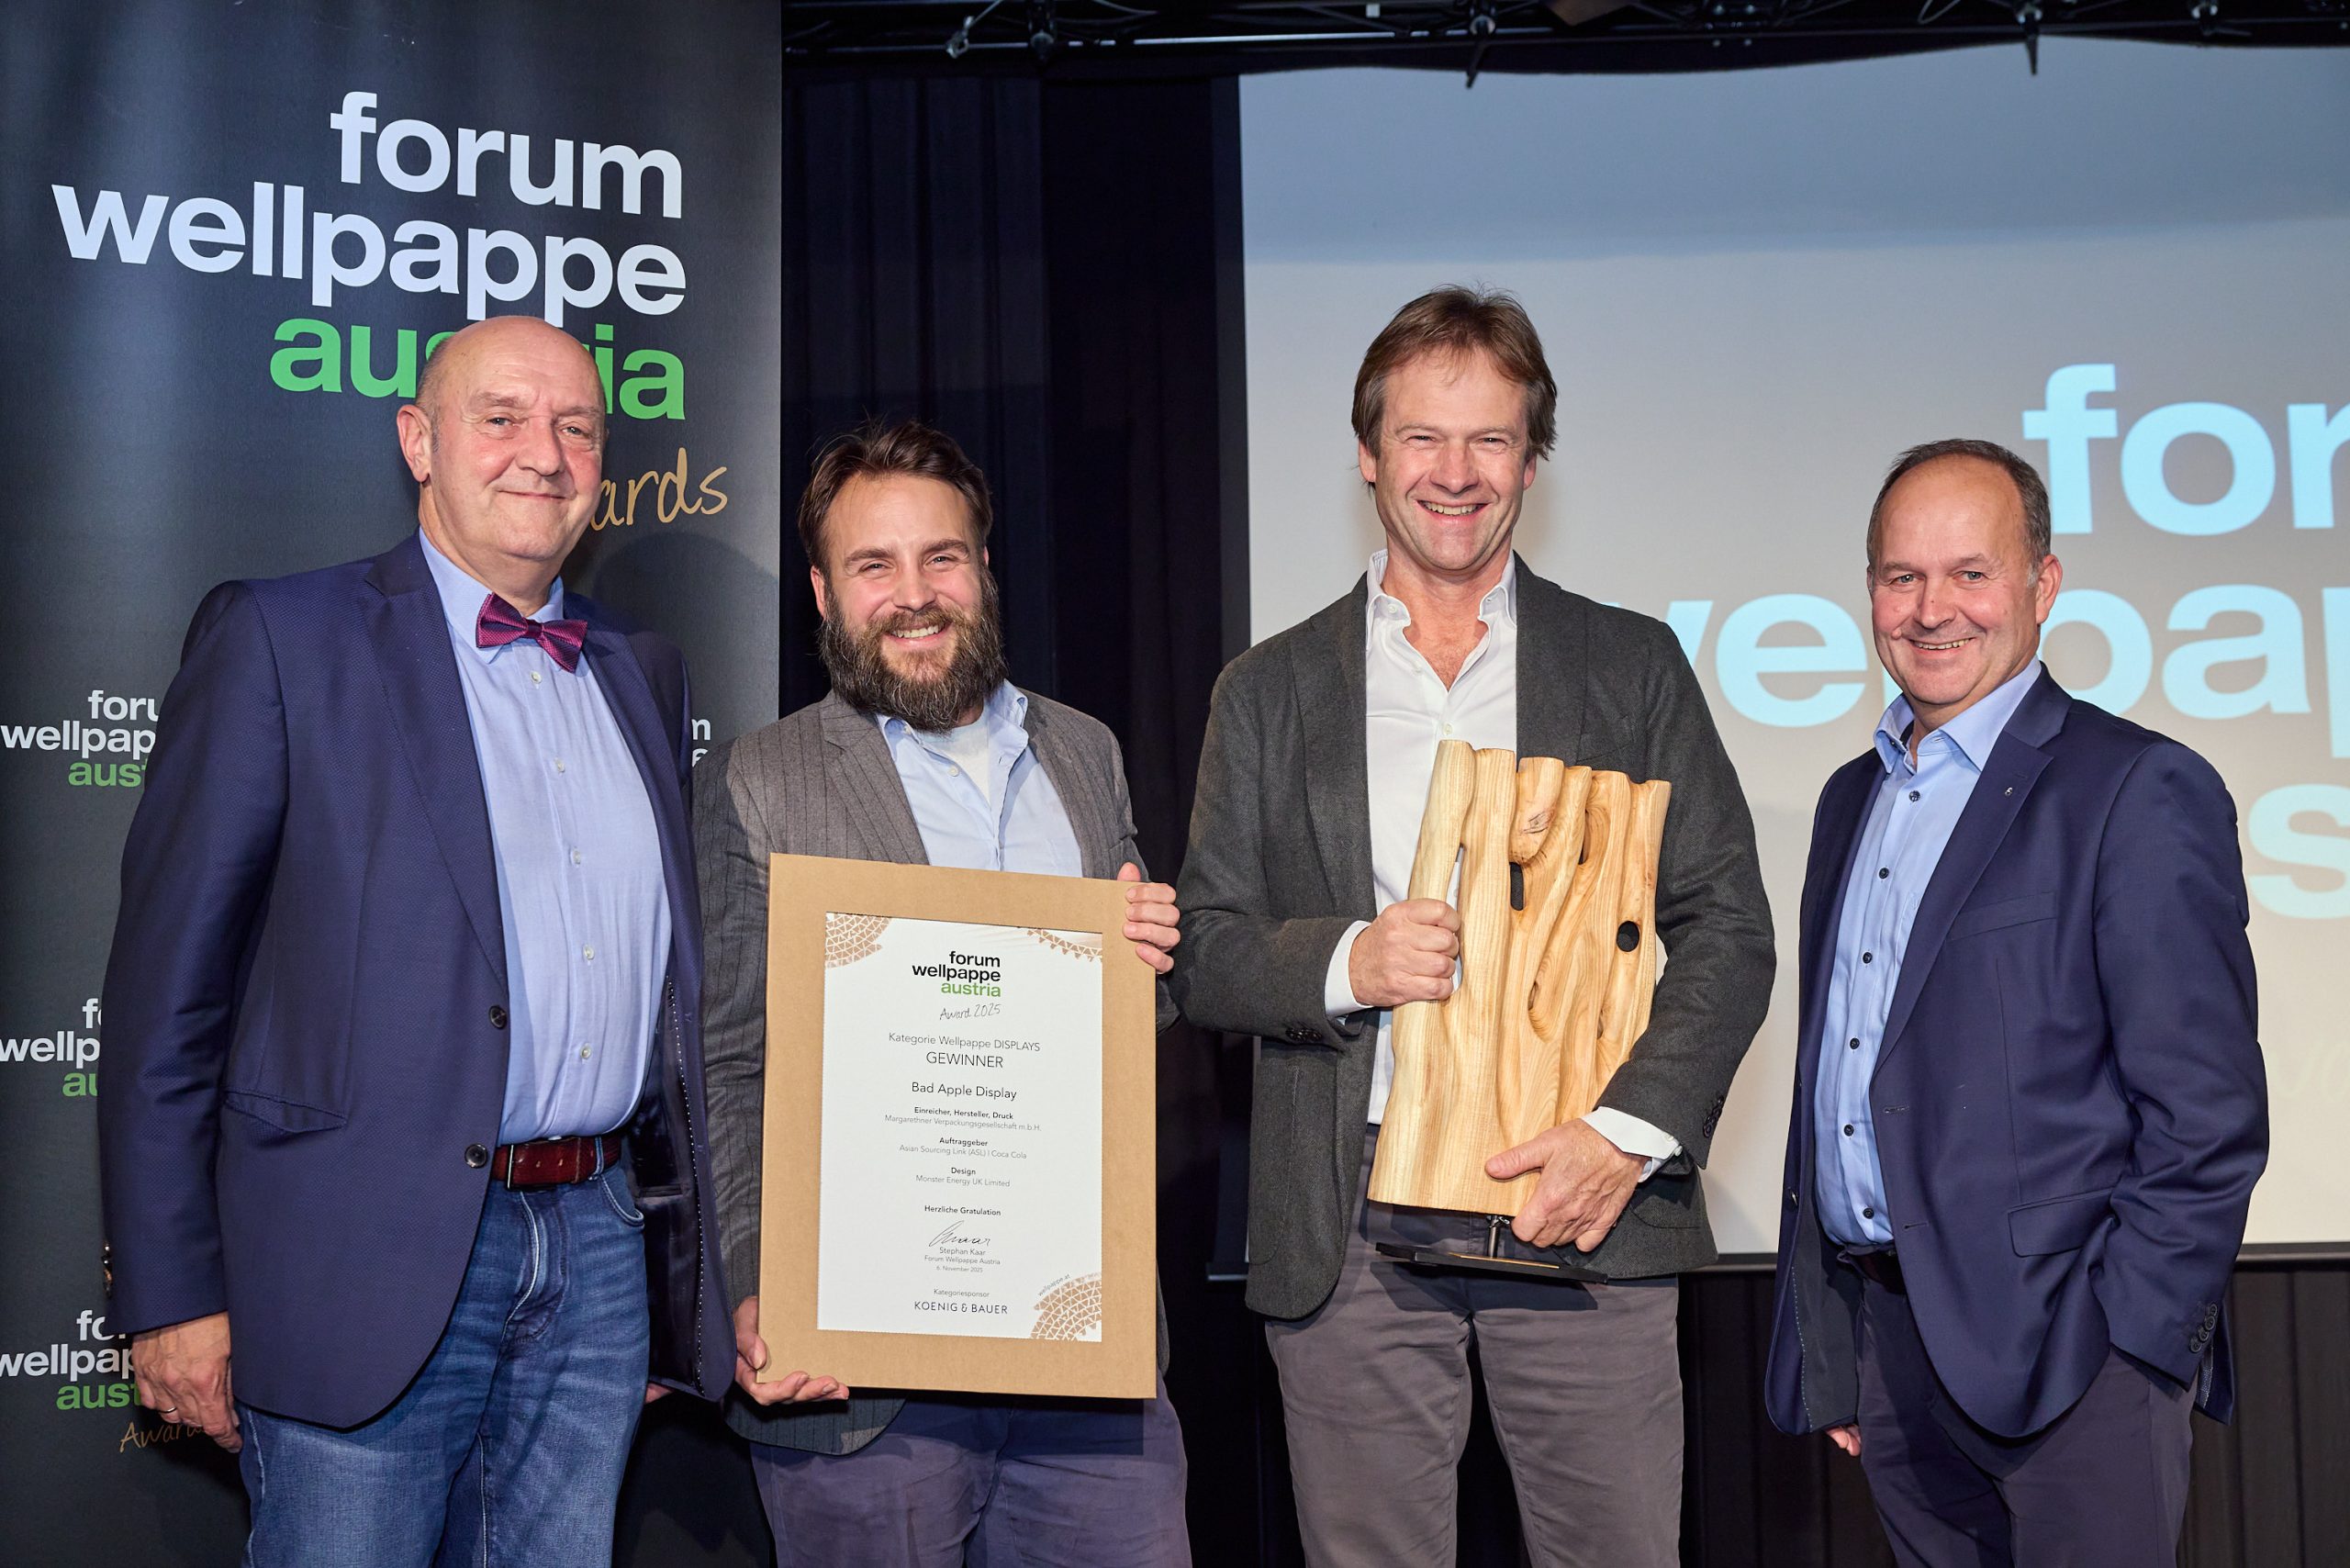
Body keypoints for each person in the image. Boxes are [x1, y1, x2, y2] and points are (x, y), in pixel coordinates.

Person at [96, 315, 731, 1567]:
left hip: (597, 1253)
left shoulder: (641, 668)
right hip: (357, 1258)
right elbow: (169, 994)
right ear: (418, 442)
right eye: (501, 418)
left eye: (577, 427)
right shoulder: (281, 639)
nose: (543, 453)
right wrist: (170, 1292)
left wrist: (673, 1286)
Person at [1167, 286, 1774, 1566]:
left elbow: (1729, 925)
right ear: (1368, 453)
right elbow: (1207, 949)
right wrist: (1349, 959)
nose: (1455, 473)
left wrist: (1624, 1136)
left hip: (1582, 1199)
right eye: (1423, 438)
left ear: (1531, 460)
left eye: (1490, 439)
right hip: (1348, 1221)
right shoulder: (1267, 690)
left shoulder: (1632, 666)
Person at [1762, 439, 2267, 1566]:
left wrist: (2131, 1347)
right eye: (1901, 576)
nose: (1931, 608)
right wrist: (1843, 1346)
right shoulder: (1851, 798)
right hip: (1893, 1353)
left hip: (2076, 1363)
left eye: (1970, 573)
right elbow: (1842, 1074)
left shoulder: (2136, 787)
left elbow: (2208, 1114)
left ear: (2042, 584)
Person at [695, 418, 1190, 1566]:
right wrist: (757, 1283)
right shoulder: (760, 780)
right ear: (824, 593)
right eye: (874, 565)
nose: (914, 595)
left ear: (984, 569)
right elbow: (725, 1065)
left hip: (1085, 1362)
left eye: (942, 557)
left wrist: (1152, 964)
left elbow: (1126, 1031)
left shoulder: (1084, 752)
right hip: (861, 1381)